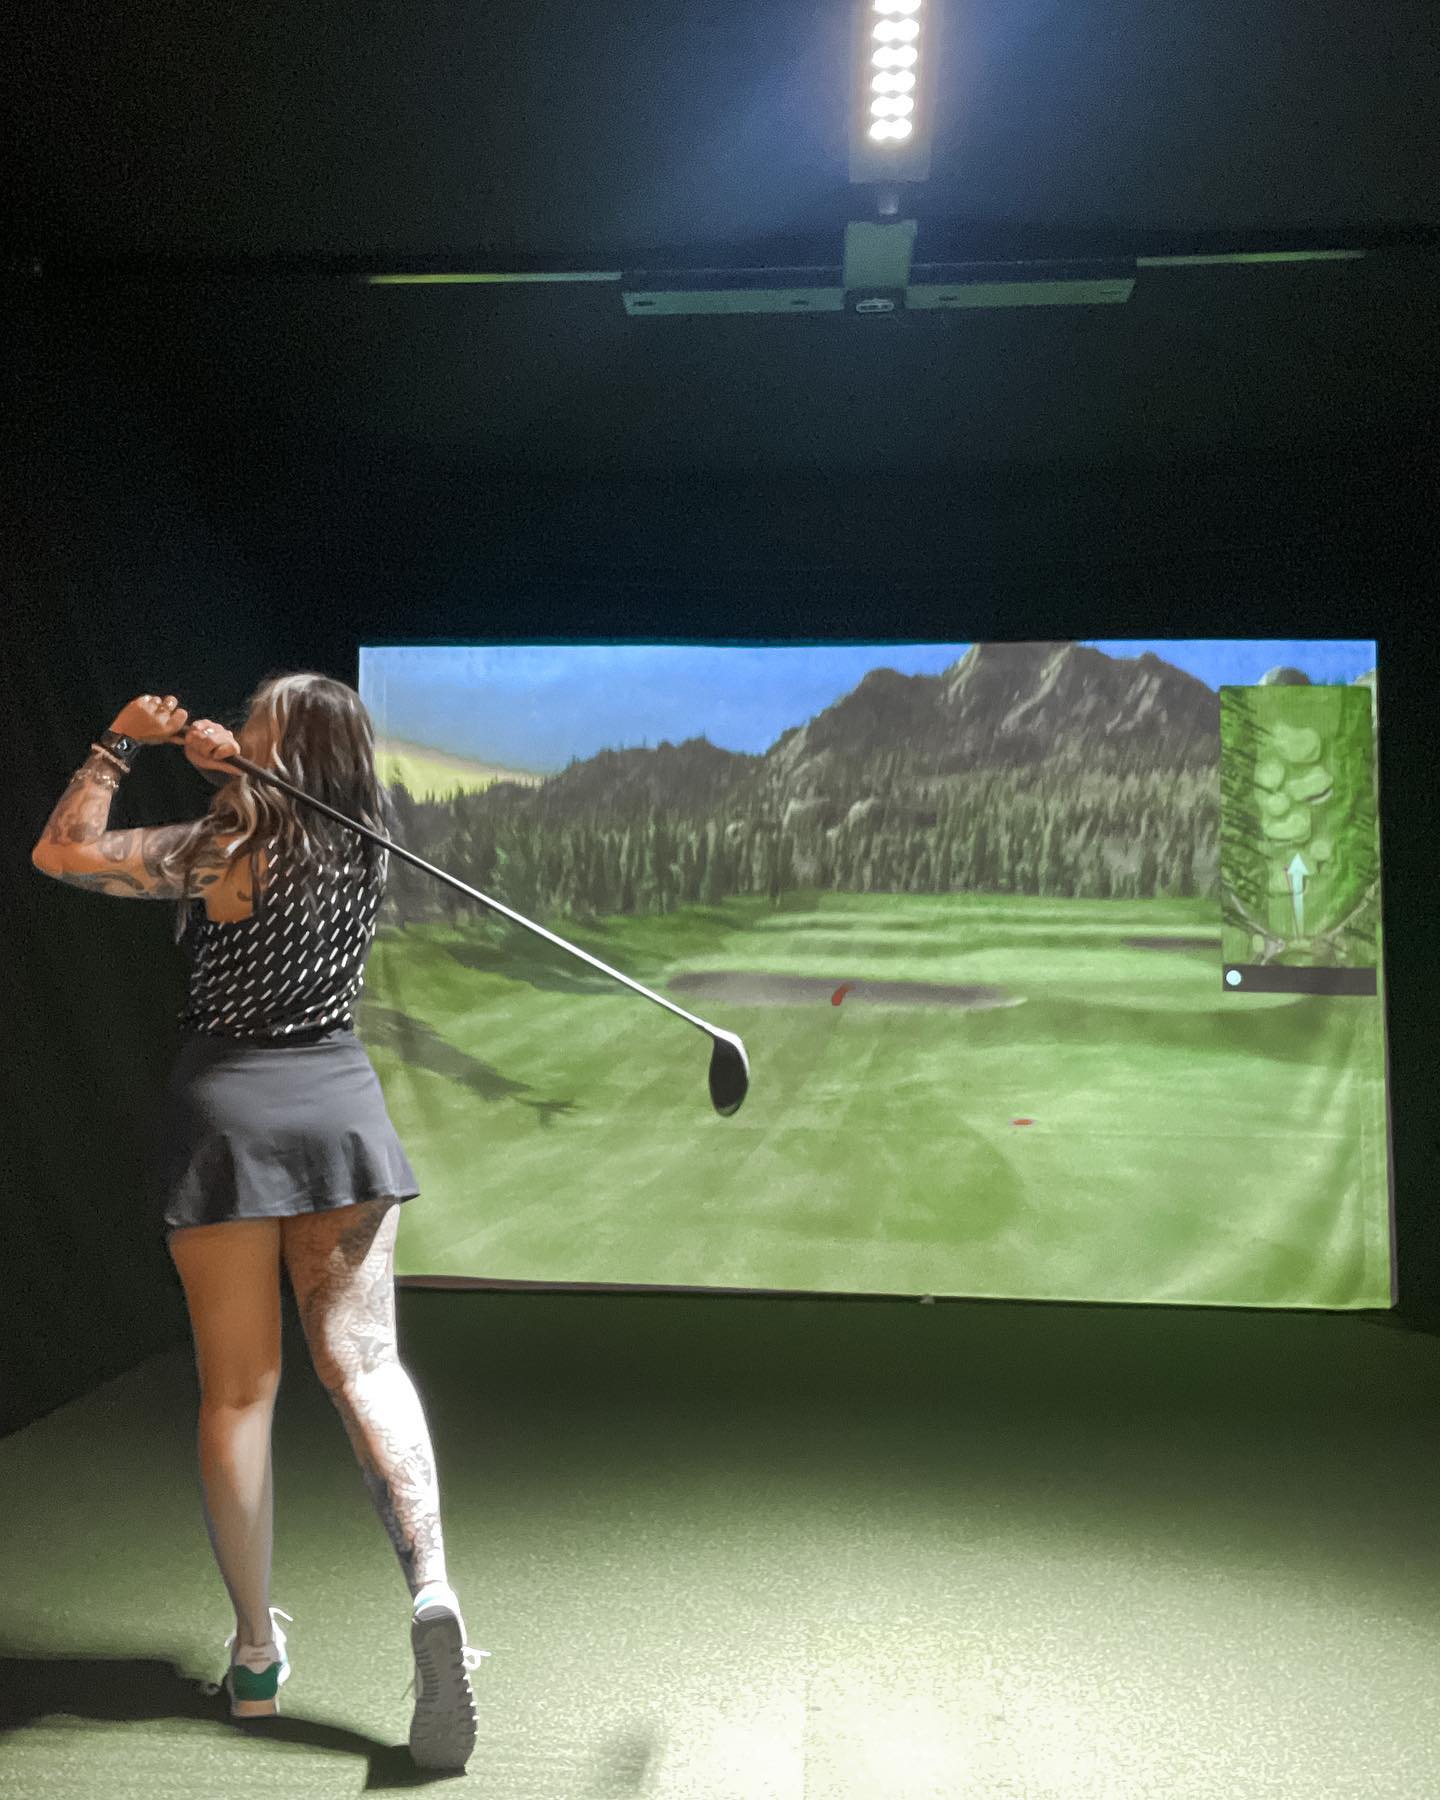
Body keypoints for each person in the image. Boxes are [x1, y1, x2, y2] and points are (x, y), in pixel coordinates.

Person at [30, 673, 487, 1770]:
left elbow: (64, 852)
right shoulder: (368, 837)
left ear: (272, 745)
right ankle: (431, 1591)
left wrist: (116, 743)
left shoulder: (212, 852)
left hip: (225, 1120)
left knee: (240, 1394)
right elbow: (309, 794)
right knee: (366, 1366)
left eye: (255, 718)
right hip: (334, 1120)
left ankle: (252, 1657)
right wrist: (246, 763)